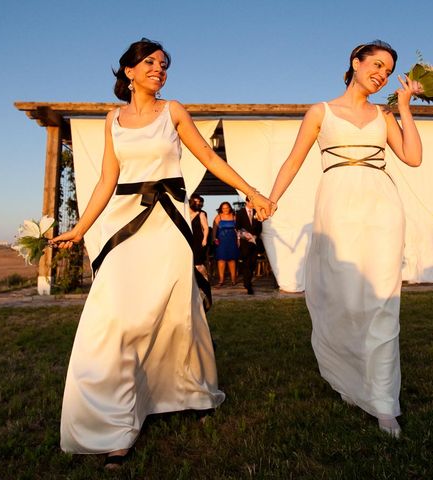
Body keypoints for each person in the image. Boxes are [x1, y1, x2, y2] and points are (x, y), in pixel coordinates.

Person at [50, 38, 274, 468]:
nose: (159, 68)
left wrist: (252, 192)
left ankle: (185, 392)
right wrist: (79, 229)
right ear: (128, 72)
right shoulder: (112, 120)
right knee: (114, 315)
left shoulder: (173, 111)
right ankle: (113, 420)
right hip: (125, 225)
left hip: (168, 226)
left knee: (174, 313)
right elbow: (104, 182)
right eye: (149, 62)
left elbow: (207, 156)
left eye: (163, 64)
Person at [268, 41, 422, 438]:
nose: (381, 73)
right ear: (355, 63)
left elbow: (413, 156)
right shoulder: (321, 111)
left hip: (382, 208)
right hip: (336, 207)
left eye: (388, 70)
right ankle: (351, 379)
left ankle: (385, 402)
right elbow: (294, 159)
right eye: (376, 64)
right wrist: (270, 199)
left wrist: (404, 106)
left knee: (382, 301)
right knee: (342, 298)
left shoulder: (384, 114)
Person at [235, 198, 263, 294]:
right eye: (251, 202)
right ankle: (247, 284)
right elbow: (237, 227)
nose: (253, 204)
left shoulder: (257, 212)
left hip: (255, 241)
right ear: (247, 202)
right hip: (245, 242)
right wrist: (246, 236)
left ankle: (248, 280)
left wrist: (255, 235)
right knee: (246, 262)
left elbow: (260, 226)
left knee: (253, 263)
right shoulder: (240, 212)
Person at [212, 202, 239, 286]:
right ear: (221, 209)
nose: (225, 209)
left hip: (232, 240)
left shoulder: (234, 216)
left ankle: (233, 279)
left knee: (232, 260)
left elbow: (238, 229)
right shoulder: (218, 216)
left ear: (230, 208)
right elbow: (214, 229)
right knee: (221, 260)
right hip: (221, 240)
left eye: (227, 208)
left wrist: (238, 240)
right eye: (223, 208)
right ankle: (221, 280)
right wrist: (214, 238)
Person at [189, 193, 209, 278]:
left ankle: (205, 278)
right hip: (187, 240)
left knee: (198, 264)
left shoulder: (201, 214)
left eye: (199, 202)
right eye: (195, 201)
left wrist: (204, 239)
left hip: (198, 241)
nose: (197, 203)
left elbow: (206, 228)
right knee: (189, 263)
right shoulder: (184, 212)